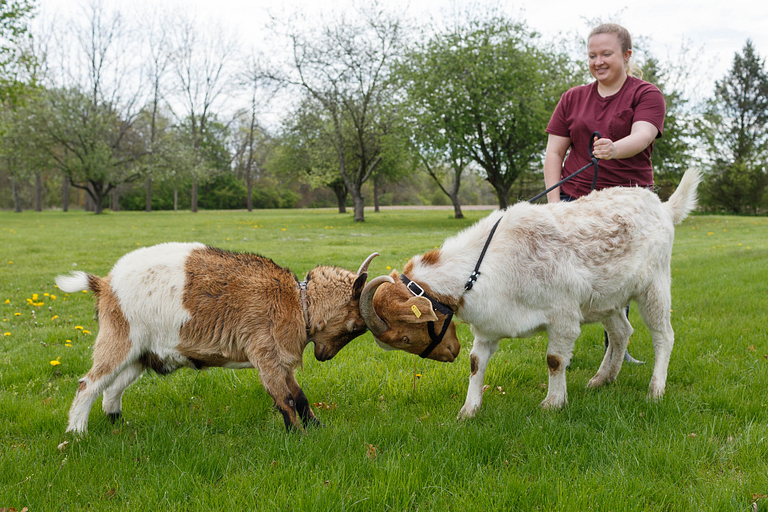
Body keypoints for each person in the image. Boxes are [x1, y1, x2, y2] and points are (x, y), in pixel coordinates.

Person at [543, 23, 666, 364]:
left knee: (617, 274)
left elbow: (642, 135)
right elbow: (554, 153)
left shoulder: (646, 94)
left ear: (626, 55)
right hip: (575, 200)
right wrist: (555, 205)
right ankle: (561, 336)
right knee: (562, 274)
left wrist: (615, 149)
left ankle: (616, 348)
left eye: (606, 54)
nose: (598, 61)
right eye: (592, 55)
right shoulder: (572, 98)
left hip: (627, 204)